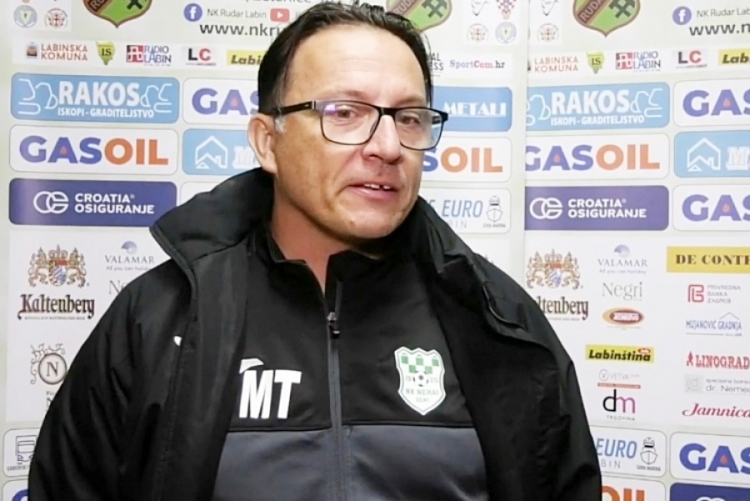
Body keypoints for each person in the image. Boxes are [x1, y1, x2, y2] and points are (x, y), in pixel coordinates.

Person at [28, 2, 600, 500]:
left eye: (409, 118)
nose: (387, 147)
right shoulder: (157, 321)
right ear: (267, 141)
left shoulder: (497, 318)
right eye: (344, 113)